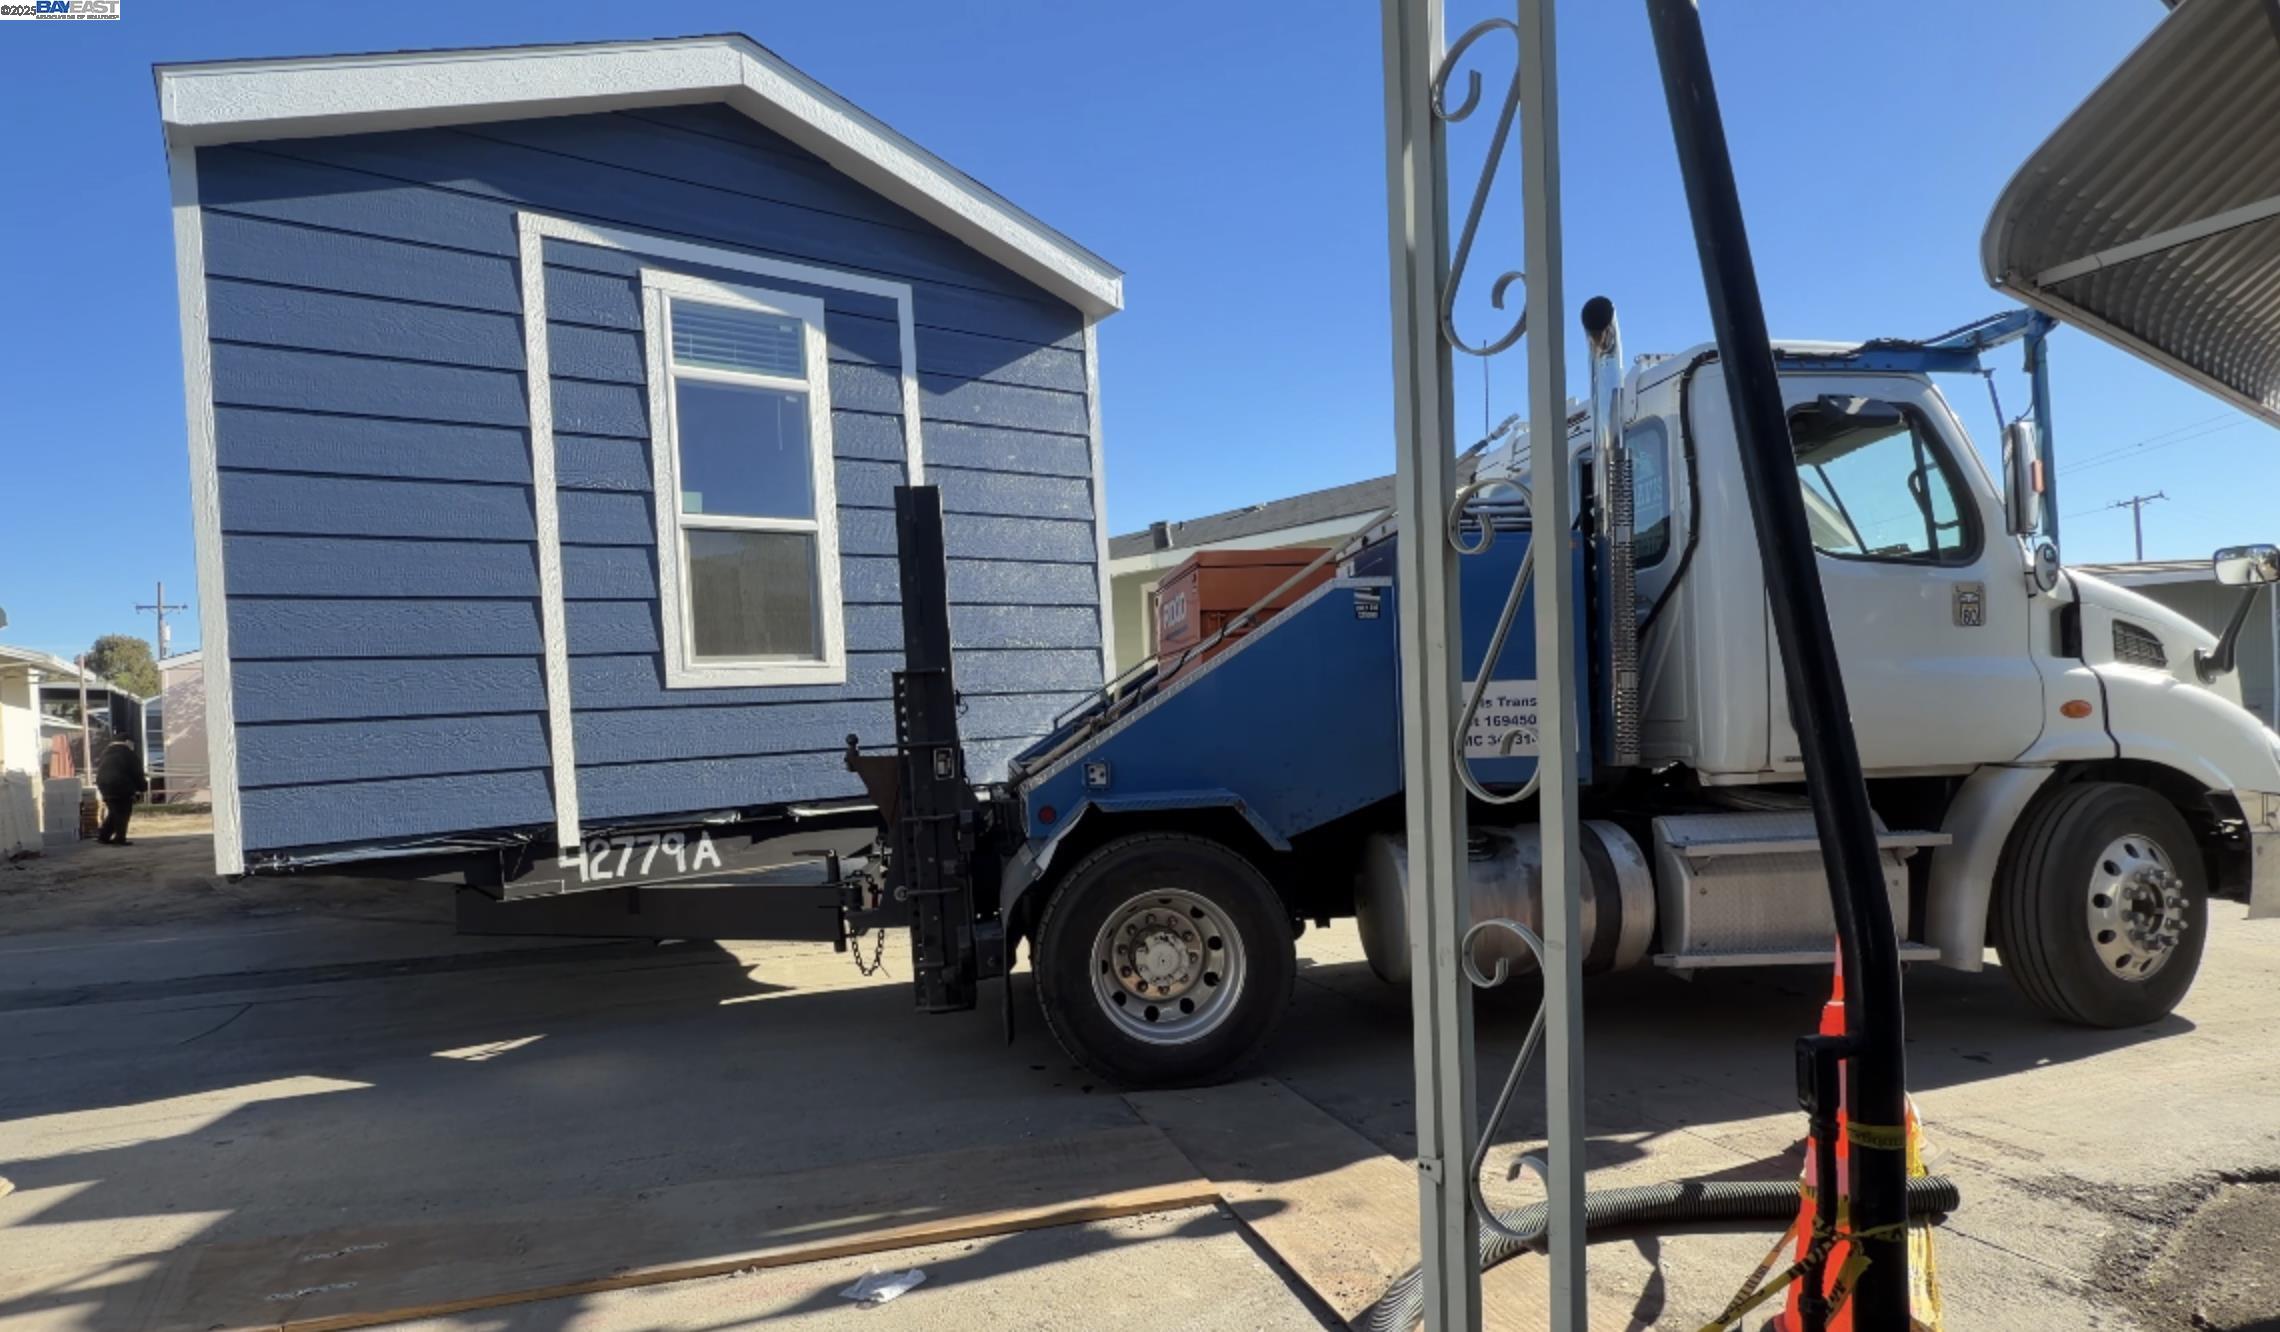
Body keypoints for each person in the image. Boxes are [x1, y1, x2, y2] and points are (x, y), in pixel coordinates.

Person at [95, 736, 147, 846]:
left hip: (104, 786)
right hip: (121, 786)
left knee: (114, 812)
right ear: (127, 742)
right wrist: (142, 787)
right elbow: (136, 773)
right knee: (123, 813)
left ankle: (103, 836)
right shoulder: (128, 754)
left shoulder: (105, 753)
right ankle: (120, 838)